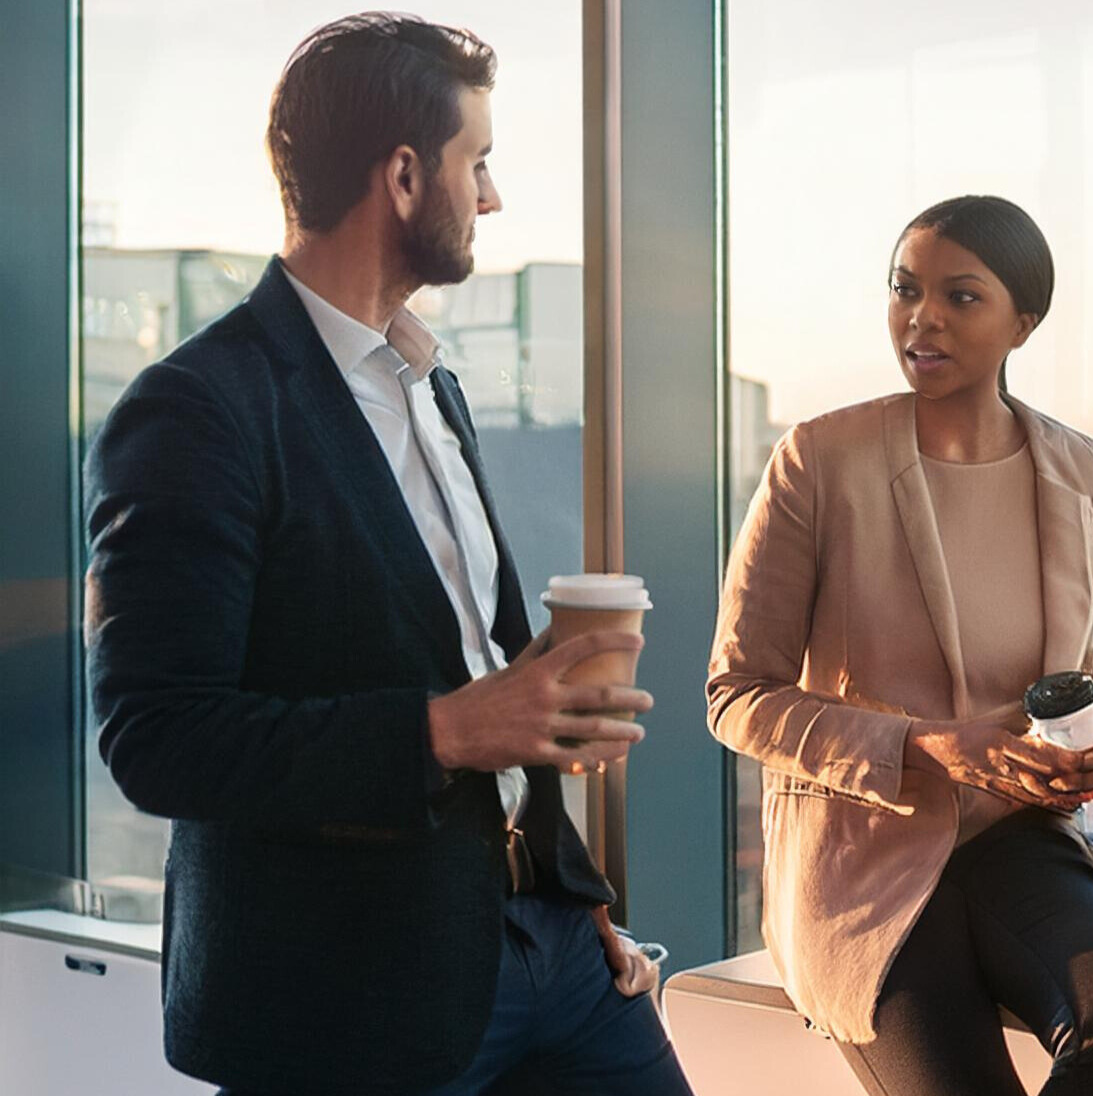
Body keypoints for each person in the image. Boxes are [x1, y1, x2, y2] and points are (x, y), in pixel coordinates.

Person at [85, 15, 692, 1095]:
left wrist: (570, 878)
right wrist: (452, 729)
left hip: (551, 945)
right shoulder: (197, 409)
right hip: (350, 993)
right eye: (479, 161)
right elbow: (157, 737)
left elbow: (461, 652)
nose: (493, 196)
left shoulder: (429, 381)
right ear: (405, 176)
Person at [707, 195, 1093, 1095]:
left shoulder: (1087, 474)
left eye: (960, 296)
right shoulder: (819, 458)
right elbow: (735, 694)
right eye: (904, 289)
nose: (920, 317)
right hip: (862, 851)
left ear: (1023, 322)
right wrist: (926, 744)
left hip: (1021, 843)